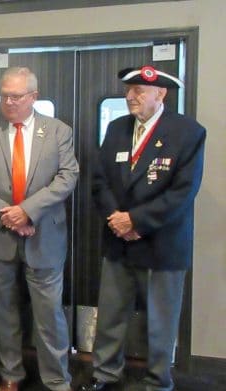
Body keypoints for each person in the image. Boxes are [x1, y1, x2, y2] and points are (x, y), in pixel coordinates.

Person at [79, 66, 206, 391]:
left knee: (160, 323)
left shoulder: (187, 132)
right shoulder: (118, 127)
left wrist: (136, 221)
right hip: (118, 240)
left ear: (160, 94)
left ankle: (157, 381)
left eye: (139, 91)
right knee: (110, 316)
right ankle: (105, 374)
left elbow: (183, 192)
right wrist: (116, 218)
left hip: (161, 244)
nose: (130, 96)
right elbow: (99, 180)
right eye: (129, 90)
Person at [0, 66, 78, 391]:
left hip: (44, 237)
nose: (9, 102)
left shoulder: (58, 131)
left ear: (33, 97)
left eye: (16, 96)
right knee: (3, 312)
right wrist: (9, 216)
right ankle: (10, 374)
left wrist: (27, 212)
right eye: (4, 96)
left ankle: (57, 379)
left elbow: (68, 176)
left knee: (49, 315)